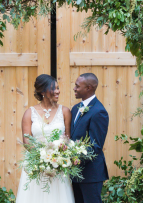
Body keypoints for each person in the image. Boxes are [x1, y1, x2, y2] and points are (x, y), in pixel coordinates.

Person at [16, 74, 75, 203]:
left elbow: (68, 139)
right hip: (36, 167)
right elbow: (27, 141)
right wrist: (42, 160)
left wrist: (57, 158)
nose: (58, 91)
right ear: (42, 91)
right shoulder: (29, 113)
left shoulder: (65, 111)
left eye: (58, 88)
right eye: (54, 88)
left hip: (58, 166)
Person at [71, 73, 109, 203]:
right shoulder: (75, 109)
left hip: (91, 174)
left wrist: (75, 160)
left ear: (88, 88)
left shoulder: (99, 111)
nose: (74, 88)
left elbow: (95, 145)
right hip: (75, 173)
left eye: (77, 86)